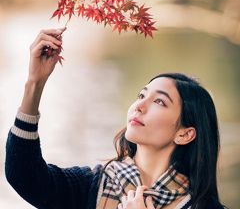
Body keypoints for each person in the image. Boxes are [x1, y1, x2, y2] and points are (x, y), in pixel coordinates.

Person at [5, 28, 226, 209]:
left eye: (159, 101)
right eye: (141, 95)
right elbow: (24, 175)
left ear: (185, 134)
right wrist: (35, 83)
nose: (139, 106)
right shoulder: (93, 186)